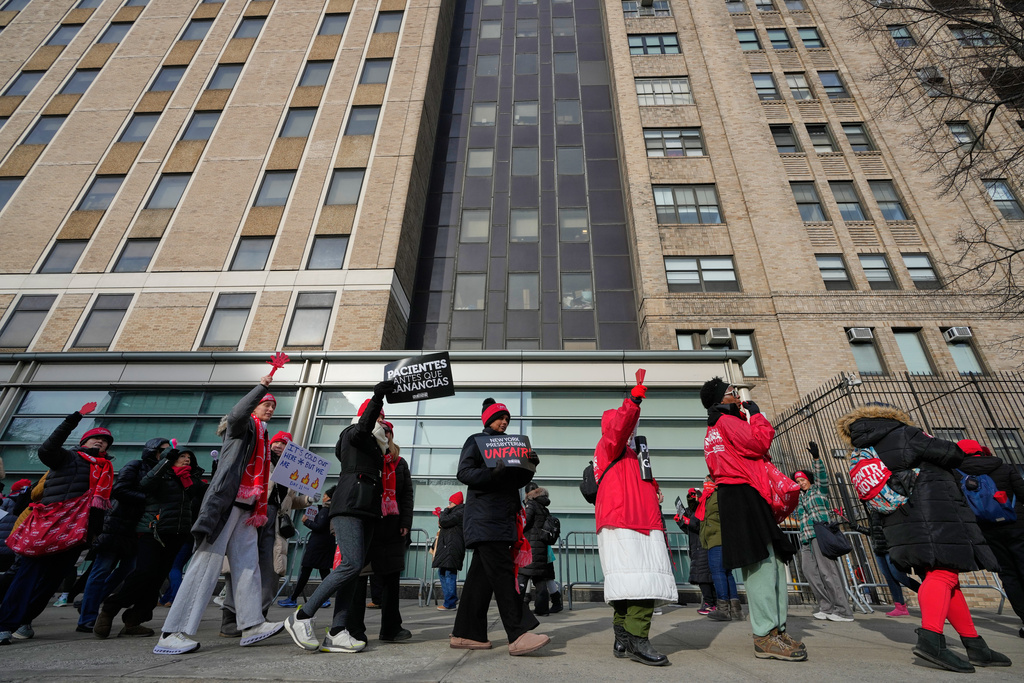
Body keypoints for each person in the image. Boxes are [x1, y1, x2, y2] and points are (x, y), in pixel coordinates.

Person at [836, 403, 1010, 672]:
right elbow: (952, 454)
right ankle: (931, 640)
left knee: (945, 578)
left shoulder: (863, 448)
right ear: (889, 418)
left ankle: (975, 644)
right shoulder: (905, 433)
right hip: (931, 512)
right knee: (944, 574)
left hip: (902, 517)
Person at [153, 376, 285, 655]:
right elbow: (236, 414)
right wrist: (261, 386)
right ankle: (172, 632)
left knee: (248, 566)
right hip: (227, 505)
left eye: (273, 405)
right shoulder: (241, 427)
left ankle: (251, 625)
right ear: (254, 407)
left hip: (247, 508)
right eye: (266, 404)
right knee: (206, 564)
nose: (271, 408)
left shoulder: (261, 435)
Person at [283, 380, 395, 653]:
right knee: (350, 565)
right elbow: (362, 428)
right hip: (349, 506)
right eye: (377, 415)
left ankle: (337, 631)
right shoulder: (353, 434)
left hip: (367, 509)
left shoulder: (376, 444)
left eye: (382, 416)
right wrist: (377, 397)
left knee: (354, 570)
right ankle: (301, 616)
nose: (381, 419)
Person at [701, 377, 804, 661]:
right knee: (761, 564)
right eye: (732, 393)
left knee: (769, 561)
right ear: (720, 400)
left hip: (741, 494)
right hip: (742, 492)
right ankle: (765, 634)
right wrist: (756, 415)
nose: (737, 397)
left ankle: (776, 631)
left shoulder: (717, 426)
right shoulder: (726, 421)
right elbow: (758, 443)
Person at [0, 402, 115, 646]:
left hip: (77, 535)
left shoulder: (105, 469)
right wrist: (74, 419)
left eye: (105, 441)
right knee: (27, 576)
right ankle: (4, 624)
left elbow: (99, 507)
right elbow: (47, 448)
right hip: (49, 527)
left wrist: (93, 535)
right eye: (96, 438)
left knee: (50, 583)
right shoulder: (66, 457)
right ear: (84, 441)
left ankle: (24, 620)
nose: (101, 442)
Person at [448, 398, 549, 656]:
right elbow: (464, 473)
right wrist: (490, 474)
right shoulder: (475, 441)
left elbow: (516, 479)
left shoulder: (511, 446)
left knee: (479, 582)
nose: (504, 422)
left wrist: (530, 467)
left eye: (507, 419)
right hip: (485, 520)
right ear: (487, 420)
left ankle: (465, 634)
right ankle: (518, 633)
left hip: (502, 521)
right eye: (499, 418)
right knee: (505, 576)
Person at [595, 383, 676, 666]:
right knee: (642, 582)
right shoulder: (610, 444)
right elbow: (618, 428)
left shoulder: (631, 454)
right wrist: (632, 402)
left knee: (627, 583)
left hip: (635, 517)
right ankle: (637, 639)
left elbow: (641, 478)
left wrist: (654, 490)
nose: (632, 427)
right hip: (627, 519)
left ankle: (623, 638)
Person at [96, 448, 204, 638]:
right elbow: (145, 485)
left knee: (157, 578)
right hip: (153, 531)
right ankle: (110, 608)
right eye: (182, 457)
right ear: (169, 459)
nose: (186, 460)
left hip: (177, 534)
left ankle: (134, 620)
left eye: (189, 458)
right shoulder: (161, 475)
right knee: (144, 572)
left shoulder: (191, 480)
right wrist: (164, 463)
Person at [221, 430, 312, 637]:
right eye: (277, 442)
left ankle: (258, 617)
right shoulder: (258, 459)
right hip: (253, 516)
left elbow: (287, 502)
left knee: (271, 571)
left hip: (276, 523)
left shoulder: (291, 471)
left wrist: (307, 500)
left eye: (285, 444)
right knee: (241, 566)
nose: (280, 446)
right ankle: (230, 620)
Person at [79, 438, 170, 633]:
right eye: (161, 450)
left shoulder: (164, 472)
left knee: (128, 571)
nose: (165, 454)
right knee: (101, 570)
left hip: (138, 529)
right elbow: (120, 490)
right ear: (152, 451)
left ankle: (98, 604)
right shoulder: (135, 466)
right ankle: (87, 617)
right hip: (118, 526)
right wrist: (147, 500)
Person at [341, 422, 414, 644]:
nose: (385, 435)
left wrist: (405, 522)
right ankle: (354, 629)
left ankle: (391, 628)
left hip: (392, 527)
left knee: (391, 578)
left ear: (391, 436)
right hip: (367, 522)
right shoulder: (366, 457)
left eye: (388, 431)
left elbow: (407, 496)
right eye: (381, 431)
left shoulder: (400, 464)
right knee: (360, 576)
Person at [955, 439, 1024, 639]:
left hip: (987, 530)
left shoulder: (957, 474)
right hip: (1017, 525)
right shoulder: (1003, 467)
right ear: (981, 452)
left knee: (1009, 575)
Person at [791, 441, 854, 622]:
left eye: (802, 480)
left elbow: (822, 476)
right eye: (798, 481)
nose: (800, 483)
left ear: (808, 479)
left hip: (820, 535)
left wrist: (816, 458)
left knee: (828, 573)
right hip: (805, 538)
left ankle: (843, 611)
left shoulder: (819, 490)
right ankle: (826, 607)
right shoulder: (800, 498)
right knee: (810, 572)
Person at [848, 509, 920, 617]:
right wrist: (858, 528)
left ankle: (928, 595)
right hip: (879, 549)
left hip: (890, 548)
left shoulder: (884, 509)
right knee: (889, 578)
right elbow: (873, 533)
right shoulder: (872, 512)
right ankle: (900, 606)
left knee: (899, 576)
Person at [279, 486, 337, 607]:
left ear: (329, 498)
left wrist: (306, 521)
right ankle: (324, 598)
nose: (323, 497)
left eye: (325, 495)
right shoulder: (332, 510)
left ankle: (294, 598)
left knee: (306, 572)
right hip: (325, 545)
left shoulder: (325, 511)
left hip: (317, 547)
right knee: (323, 572)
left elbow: (319, 527)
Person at [699, 478, 742, 621]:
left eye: (707, 480)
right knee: (726, 572)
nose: (704, 483)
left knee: (718, 572)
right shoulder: (710, 496)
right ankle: (736, 609)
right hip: (718, 538)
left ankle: (723, 608)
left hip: (717, 538)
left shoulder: (718, 494)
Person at [676, 487, 717, 617]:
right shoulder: (694, 510)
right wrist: (682, 522)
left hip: (703, 547)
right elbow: (690, 530)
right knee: (703, 577)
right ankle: (710, 603)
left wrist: (688, 522)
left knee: (704, 577)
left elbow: (699, 525)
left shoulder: (704, 508)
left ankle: (710, 604)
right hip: (696, 546)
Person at [521, 485, 557, 616]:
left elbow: (525, 522)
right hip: (541, 547)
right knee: (540, 579)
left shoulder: (531, 505)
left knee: (522, 576)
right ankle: (542, 609)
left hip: (530, 546)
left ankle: (518, 608)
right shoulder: (543, 507)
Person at [431, 491, 466, 611]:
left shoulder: (459, 512)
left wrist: (444, 512)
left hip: (451, 548)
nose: (448, 505)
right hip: (448, 547)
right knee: (443, 572)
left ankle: (450, 602)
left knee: (449, 573)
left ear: (455, 503)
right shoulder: (457, 512)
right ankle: (450, 599)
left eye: (450, 503)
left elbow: (445, 521)